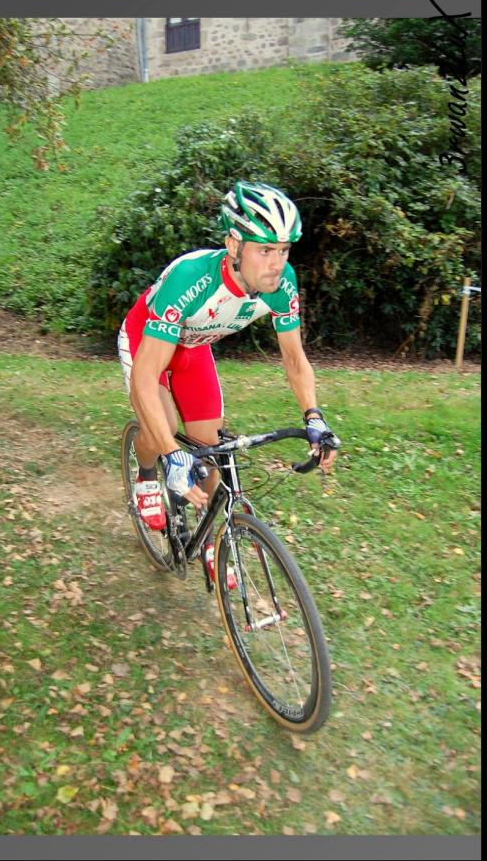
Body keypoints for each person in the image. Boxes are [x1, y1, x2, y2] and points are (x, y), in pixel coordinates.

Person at [118, 180, 339, 583]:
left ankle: (208, 540)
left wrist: (314, 416)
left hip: (192, 349)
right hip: (146, 342)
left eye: (284, 250)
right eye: (265, 250)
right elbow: (146, 379)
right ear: (234, 246)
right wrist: (169, 452)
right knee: (162, 429)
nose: (277, 263)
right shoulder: (191, 279)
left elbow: (294, 357)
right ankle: (146, 473)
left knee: (211, 449)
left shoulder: (281, 284)